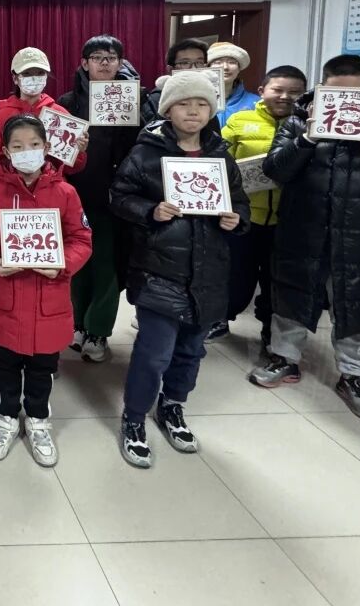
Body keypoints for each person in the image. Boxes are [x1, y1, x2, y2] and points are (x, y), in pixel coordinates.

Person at [249, 54, 360, 423]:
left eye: (357, 93)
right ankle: (284, 358)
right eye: (336, 93)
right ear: (322, 89)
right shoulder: (298, 121)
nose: (347, 100)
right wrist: (307, 138)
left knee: (359, 304)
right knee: (291, 296)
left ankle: (353, 376)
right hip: (302, 229)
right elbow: (275, 170)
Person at [111, 77, 250, 468]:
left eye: (202, 104)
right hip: (158, 269)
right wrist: (150, 211)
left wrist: (236, 219)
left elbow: (240, 203)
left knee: (191, 350)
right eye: (184, 103)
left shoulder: (221, 155)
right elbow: (119, 197)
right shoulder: (145, 153)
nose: (193, 111)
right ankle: (134, 417)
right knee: (153, 353)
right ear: (167, 109)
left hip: (209, 273)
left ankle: (172, 405)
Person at [0, 115, 92, 468]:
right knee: (5, 364)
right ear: (6, 152)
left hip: (49, 299)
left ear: (47, 147)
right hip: (5, 298)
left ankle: (38, 419)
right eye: (18, 147)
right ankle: (6, 416)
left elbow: (82, 239)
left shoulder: (65, 192)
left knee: (43, 367)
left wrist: (62, 264)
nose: (27, 152)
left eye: (34, 145)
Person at [58, 35, 142, 364]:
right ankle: (78, 323)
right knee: (77, 263)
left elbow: (139, 145)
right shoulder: (68, 101)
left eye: (111, 57)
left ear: (120, 63)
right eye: (97, 57)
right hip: (76, 194)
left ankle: (98, 330)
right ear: (84, 63)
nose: (104, 63)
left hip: (115, 197)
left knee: (107, 263)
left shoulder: (132, 98)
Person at [212, 65, 308, 346]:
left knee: (276, 280)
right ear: (262, 91)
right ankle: (221, 319)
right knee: (235, 275)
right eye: (278, 90)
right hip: (245, 216)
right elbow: (219, 158)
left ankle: (270, 329)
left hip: (289, 219)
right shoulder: (240, 120)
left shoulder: (309, 128)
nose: (285, 97)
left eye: (294, 92)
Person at [0, 47, 88, 169]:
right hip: (10, 180)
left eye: (40, 73)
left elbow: (72, 167)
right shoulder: (1, 117)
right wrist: (16, 166)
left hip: (51, 179)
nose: (33, 78)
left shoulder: (59, 114)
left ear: (46, 77)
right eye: (26, 73)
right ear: (15, 78)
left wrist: (78, 151)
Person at [140, 39, 210, 126]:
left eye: (199, 62)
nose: (194, 68)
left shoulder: (208, 95)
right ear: (170, 69)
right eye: (185, 63)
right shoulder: (157, 99)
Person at [208, 42, 260, 127]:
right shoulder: (197, 100)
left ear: (239, 68)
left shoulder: (256, 102)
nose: (225, 67)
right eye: (218, 62)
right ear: (208, 67)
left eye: (232, 62)